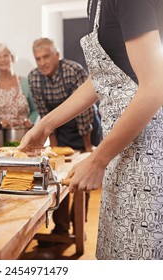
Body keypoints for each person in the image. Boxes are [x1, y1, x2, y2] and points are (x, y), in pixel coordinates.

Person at [19, 0, 163, 260]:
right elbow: (101, 78)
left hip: (150, 150)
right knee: (116, 249)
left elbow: (155, 87)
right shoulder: (94, 4)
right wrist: (44, 126)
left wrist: (98, 159)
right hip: (123, 147)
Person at [28, 37, 102, 237]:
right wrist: (54, 150)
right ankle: (61, 228)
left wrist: (86, 150)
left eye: (46, 57)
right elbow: (45, 115)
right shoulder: (34, 78)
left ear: (57, 55)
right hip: (58, 128)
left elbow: (85, 111)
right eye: (38, 58)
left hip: (86, 127)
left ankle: (79, 227)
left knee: (81, 175)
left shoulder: (73, 70)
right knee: (58, 176)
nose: (42, 62)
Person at [0, 43, 39, 129]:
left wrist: (30, 121)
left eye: (5, 55)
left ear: (12, 57)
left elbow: (36, 110)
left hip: (24, 133)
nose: (2, 60)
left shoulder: (26, 83)